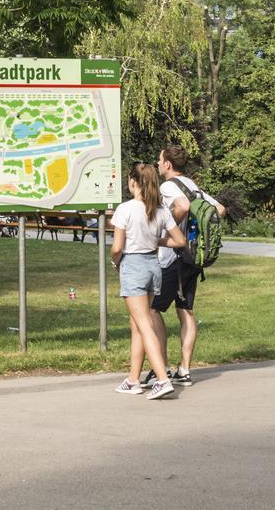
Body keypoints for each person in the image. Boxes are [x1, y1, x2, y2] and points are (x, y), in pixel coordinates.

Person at [149, 144, 226, 388]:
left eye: (160, 160)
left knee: (153, 310)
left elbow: (181, 206)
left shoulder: (168, 186)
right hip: (195, 256)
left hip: (174, 256)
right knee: (185, 310)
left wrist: (168, 228)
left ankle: (160, 366)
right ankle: (185, 369)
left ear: (168, 164)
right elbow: (220, 209)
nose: (158, 164)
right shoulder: (193, 185)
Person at [111, 162, 184, 400]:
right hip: (154, 266)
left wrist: (115, 261)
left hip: (132, 265)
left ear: (133, 182)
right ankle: (133, 379)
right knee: (138, 325)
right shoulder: (160, 210)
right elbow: (179, 241)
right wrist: (158, 242)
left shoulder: (125, 209)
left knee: (143, 324)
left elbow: (117, 247)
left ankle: (162, 379)